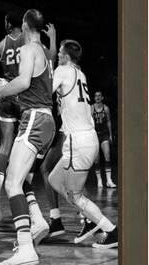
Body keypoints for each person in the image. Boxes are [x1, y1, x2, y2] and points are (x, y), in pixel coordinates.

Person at [0, 9, 56, 265]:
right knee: (18, 177)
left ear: (26, 25)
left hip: (35, 120)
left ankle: (26, 248)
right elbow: (38, 89)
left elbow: (22, 81)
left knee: (12, 183)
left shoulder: (30, 49)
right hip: (45, 121)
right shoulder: (44, 52)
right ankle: (38, 222)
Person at [48, 40, 118, 249]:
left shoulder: (62, 70)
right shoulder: (80, 74)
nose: (58, 55)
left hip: (77, 141)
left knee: (75, 195)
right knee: (54, 179)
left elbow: (44, 92)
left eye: (59, 52)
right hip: (87, 138)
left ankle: (110, 230)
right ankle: (88, 219)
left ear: (67, 56)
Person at [91, 91, 116, 188]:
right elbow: (89, 122)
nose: (97, 97)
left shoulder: (106, 108)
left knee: (107, 155)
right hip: (95, 135)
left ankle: (109, 180)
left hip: (104, 134)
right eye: (96, 96)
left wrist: (110, 135)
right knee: (96, 159)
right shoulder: (91, 108)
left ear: (102, 97)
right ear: (94, 98)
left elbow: (109, 121)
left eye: (99, 96)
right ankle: (99, 180)